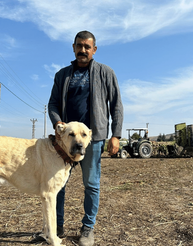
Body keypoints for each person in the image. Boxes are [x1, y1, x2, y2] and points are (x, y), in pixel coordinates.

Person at [47, 30, 123, 246]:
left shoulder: (106, 73)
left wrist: (115, 135)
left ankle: (88, 229)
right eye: (79, 46)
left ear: (94, 50)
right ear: (73, 47)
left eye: (87, 47)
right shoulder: (62, 75)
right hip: (65, 142)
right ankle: (57, 227)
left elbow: (116, 105)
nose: (82, 50)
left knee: (91, 184)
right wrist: (57, 122)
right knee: (58, 185)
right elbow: (52, 104)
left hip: (94, 139)